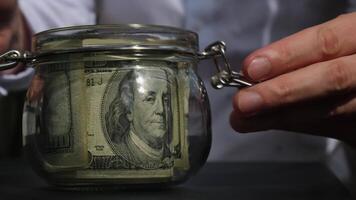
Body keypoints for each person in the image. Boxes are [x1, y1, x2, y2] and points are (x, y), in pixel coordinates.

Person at [2, 0, 356, 172]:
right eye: (151, 99)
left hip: (292, 173)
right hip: (104, 182)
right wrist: (12, 29)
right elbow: (52, 15)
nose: (162, 110)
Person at [105, 69, 172, 169]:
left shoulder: (171, 155)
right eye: (150, 99)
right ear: (129, 111)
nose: (161, 110)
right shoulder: (121, 152)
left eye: (166, 99)